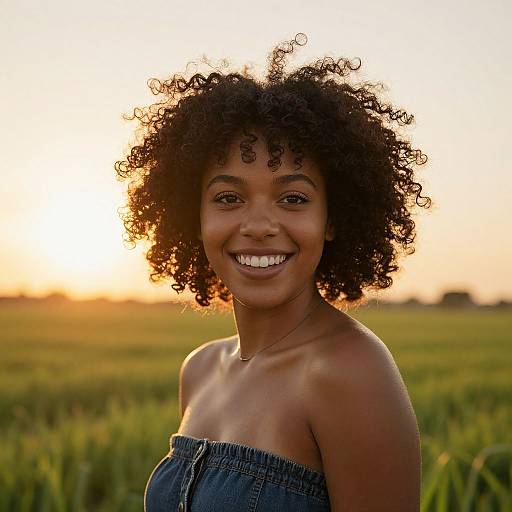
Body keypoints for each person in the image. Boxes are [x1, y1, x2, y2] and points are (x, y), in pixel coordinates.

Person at [115, 32, 431, 512]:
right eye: (228, 197)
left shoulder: (352, 372)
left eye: (293, 198)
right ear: (191, 216)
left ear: (333, 218)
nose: (259, 226)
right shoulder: (199, 369)